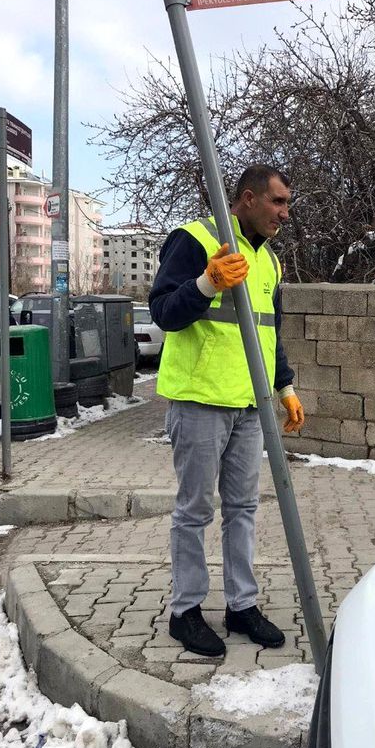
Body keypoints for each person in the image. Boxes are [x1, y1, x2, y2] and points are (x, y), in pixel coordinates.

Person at [149, 164, 305, 658]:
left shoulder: (270, 262)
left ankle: (242, 606)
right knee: (194, 510)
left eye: (287, 204)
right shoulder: (195, 238)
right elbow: (163, 313)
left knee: (243, 508)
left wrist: (285, 388)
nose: (285, 213)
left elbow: (268, 331)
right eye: (278, 202)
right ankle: (186, 612)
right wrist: (207, 283)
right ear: (248, 199)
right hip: (199, 400)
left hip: (248, 405)